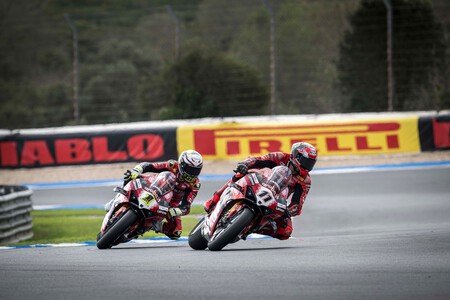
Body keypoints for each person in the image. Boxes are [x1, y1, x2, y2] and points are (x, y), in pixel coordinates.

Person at [203, 142, 317, 240]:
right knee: (240, 173)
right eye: (306, 161)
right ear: (296, 156)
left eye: (311, 163)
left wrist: (289, 211)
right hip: (258, 181)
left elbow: (298, 204)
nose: (308, 166)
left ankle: (250, 227)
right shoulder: (280, 157)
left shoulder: (305, 181)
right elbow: (258, 160)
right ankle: (215, 199)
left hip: (274, 199)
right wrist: (244, 164)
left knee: (286, 231)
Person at [105, 149, 203, 240]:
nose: (192, 174)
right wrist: (138, 169)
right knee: (130, 175)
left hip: (170, 203)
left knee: (175, 233)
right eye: (190, 169)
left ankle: (153, 225)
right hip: (154, 184)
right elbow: (150, 166)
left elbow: (186, 206)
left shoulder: (194, 185)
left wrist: (176, 211)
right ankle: (119, 196)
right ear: (181, 165)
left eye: (195, 171)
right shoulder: (173, 165)